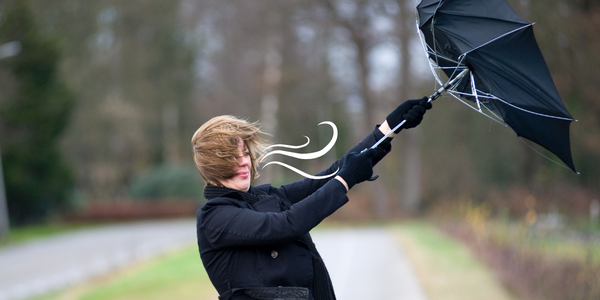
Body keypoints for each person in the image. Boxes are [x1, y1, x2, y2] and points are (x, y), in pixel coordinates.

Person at [192, 98, 432, 300]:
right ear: (214, 166)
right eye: (232, 157)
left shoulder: (264, 196)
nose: (244, 161)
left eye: (245, 153)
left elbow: (327, 177)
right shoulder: (214, 217)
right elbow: (285, 225)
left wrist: (388, 130)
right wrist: (344, 181)